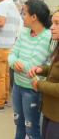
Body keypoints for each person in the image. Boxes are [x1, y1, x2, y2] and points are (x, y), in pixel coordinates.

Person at [8, 0, 52, 139]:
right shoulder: (25, 31)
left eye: (24, 13)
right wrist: (15, 62)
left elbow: (32, 66)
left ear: (34, 17)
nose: (22, 16)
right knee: (18, 123)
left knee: (31, 128)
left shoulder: (47, 37)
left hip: (32, 90)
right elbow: (11, 55)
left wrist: (18, 63)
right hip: (17, 86)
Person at [28, 10, 59, 139]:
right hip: (50, 111)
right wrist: (42, 69)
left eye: (57, 23)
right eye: (52, 23)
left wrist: (39, 84)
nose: (51, 27)